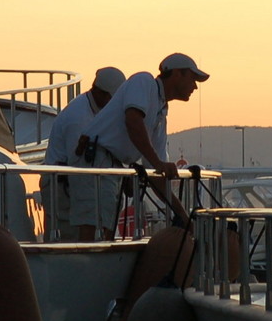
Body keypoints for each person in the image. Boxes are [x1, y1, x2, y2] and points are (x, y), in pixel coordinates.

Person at [70, 52, 209, 241]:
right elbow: (133, 120)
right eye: (192, 79)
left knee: (105, 230)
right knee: (94, 230)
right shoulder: (144, 81)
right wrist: (158, 163)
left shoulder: (160, 111)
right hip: (96, 162)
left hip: (109, 165)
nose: (195, 87)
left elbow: (156, 173)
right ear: (177, 74)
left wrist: (183, 217)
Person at [41, 66, 125, 240]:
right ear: (102, 94)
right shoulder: (78, 118)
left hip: (77, 185)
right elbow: (79, 166)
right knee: (68, 241)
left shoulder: (96, 110)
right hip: (63, 188)